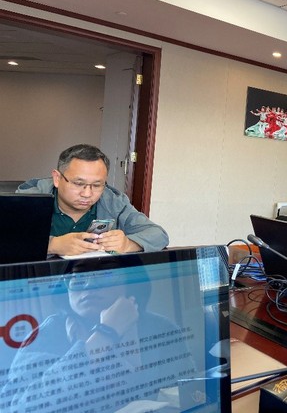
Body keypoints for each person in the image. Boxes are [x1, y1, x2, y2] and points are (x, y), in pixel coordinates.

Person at [2, 257, 197, 412]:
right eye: (78, 276)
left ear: (131, 282)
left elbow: (191, 393)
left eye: (106, 273)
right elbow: (19, 407)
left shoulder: (159, 327)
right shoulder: (46, 334)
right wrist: (106, 333)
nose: (89, 285)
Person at [17, 144, 169, 256]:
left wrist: (128, 244)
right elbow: (8, 241)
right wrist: (52, 245)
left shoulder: (113, 201)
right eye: (78, 183)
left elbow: (158, 234)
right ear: (57, 178)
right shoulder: (29, 199)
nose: (87, 193)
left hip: (93, 281)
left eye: (97, 185)